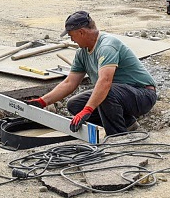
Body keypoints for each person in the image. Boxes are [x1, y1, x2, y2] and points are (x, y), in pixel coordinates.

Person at [27, 11, 158, 136]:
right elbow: (69, 83)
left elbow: (105, 81)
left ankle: (118, 137)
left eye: (71, 35)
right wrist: (42, 102)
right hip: (120, 94)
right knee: (75, 105)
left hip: (142, 95)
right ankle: (128, 124)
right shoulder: (82, 53)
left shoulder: (106, 46)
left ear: (81, 32)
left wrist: (88, 110)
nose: (71, 40)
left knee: (105, 92)